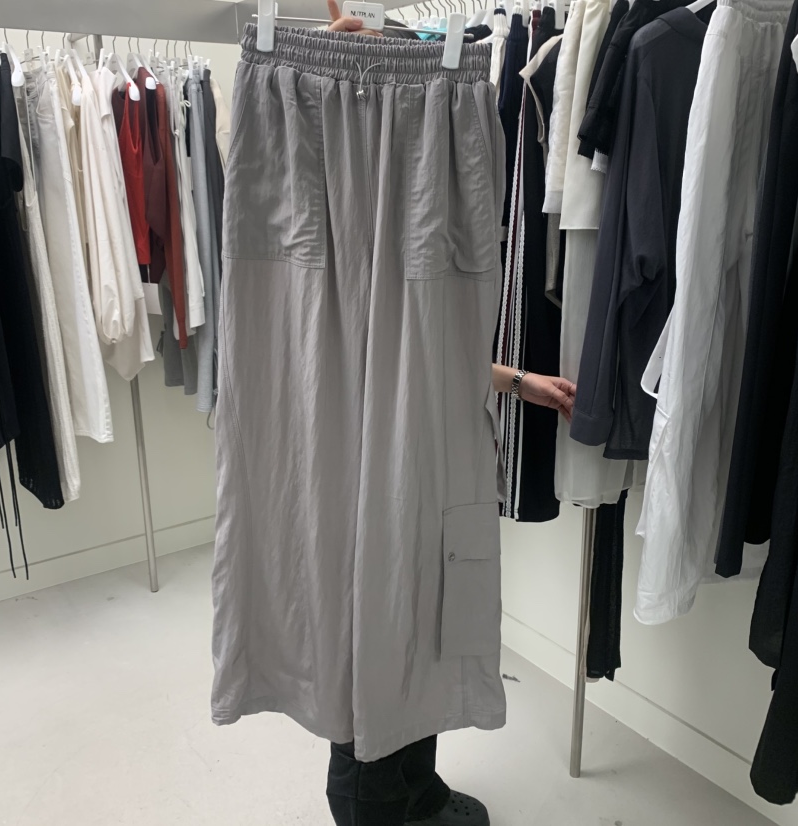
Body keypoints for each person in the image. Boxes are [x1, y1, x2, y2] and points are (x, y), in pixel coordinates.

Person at [317, 8, 576, 825]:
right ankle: (368, 799)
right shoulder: (341, 188)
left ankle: (414, 788)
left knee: (429, 609)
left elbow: (430, 343)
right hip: (369, 457)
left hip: (430, 447)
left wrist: (516, 380)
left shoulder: (424, 187)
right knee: (378, 615)